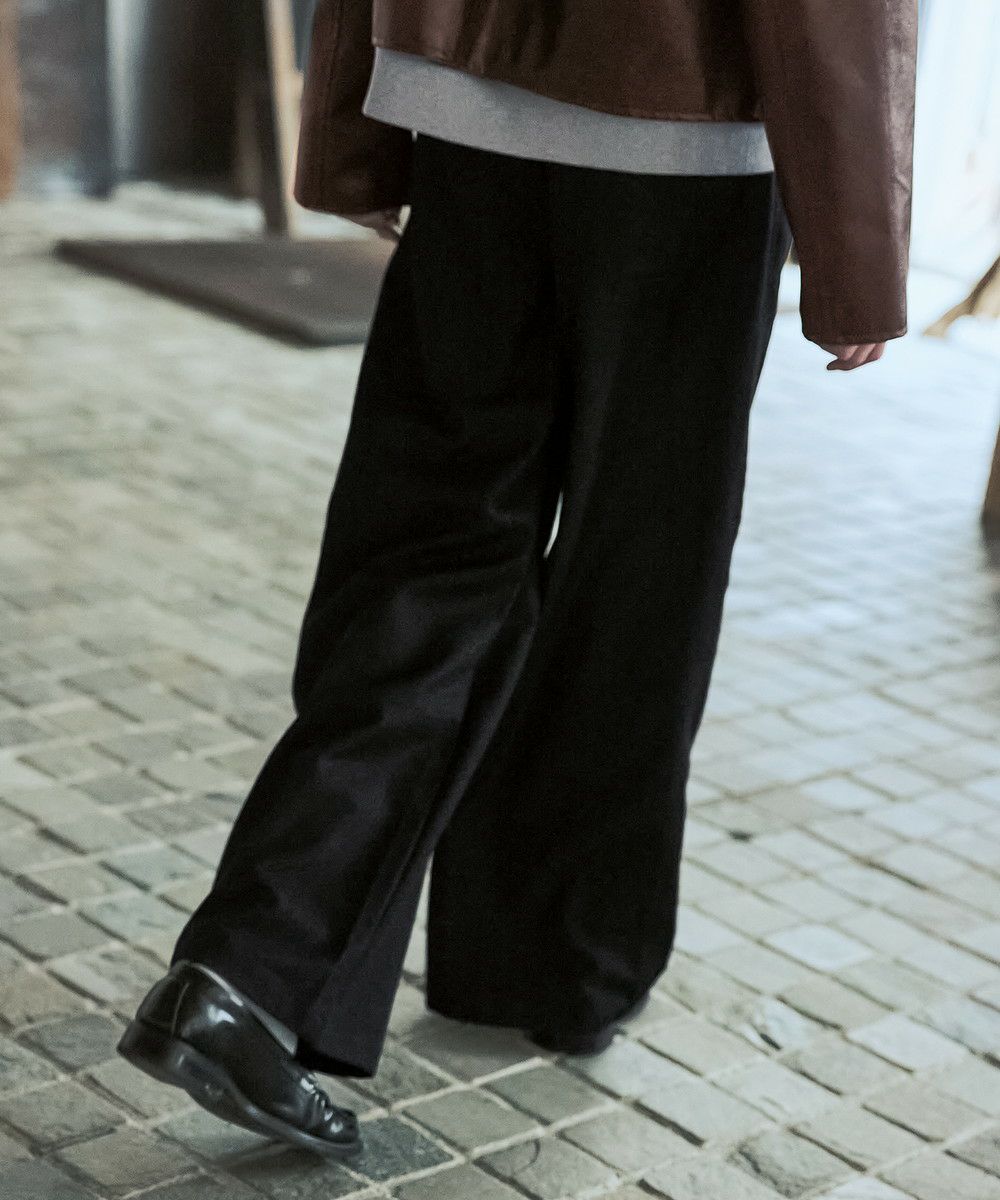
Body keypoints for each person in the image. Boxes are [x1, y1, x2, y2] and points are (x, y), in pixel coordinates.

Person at [117, 0, 918, 1161]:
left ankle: (244, 975)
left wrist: (352, 126)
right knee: (636, 582)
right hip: (683, 145)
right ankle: (557, 963)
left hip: (466, 120)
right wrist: (855, 249)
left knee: (429, 558)